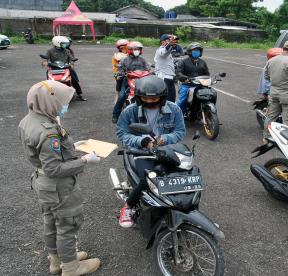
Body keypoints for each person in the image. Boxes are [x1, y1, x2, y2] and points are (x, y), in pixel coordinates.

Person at [18, 80, 101, 275]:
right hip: (58, 187)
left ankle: (56, 261)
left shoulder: (29, 120)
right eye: (62, 103)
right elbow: (55, 168)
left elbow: (40, 152)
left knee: (51, 222)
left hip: (42, 183)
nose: (64, 106)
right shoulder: (48, 133)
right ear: (49, 102)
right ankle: (71, 268)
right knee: (66, 225)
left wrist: (71, 147)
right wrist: (85, 160)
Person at [116, 75, 186, 227]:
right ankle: (128, 206)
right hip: (141, 152)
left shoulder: (174, 109)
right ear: (139, 97)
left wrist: (165, 139)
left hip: (166, 149)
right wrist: (142, 141)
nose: (150, 103)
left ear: (162, 97)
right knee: (150, 178)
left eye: (154, 100)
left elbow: (180, 131)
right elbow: (122, 133)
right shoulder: (130, 111)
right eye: (145, 100)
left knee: (183, 174)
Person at [262, 40, 288, 140]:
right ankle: (285, 140)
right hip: (287, 94)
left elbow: (266, 77)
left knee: (271, 116)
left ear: (283, 48)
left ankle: (266, 137)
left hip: (274, 92)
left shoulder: (271, 60)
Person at [112, 41, 150, 123]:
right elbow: (119, 69)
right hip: (128, 80)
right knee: (122, 96)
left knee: (151, 94)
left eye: (138, 49)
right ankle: (115, 115)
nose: (137, 50)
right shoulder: (124, 60)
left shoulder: (142, 60)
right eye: (135, 49)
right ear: (129, 50)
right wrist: (121, 72)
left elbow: (148, 68)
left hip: (141, 81)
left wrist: (151, 70)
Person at [42, 36, 87, 101]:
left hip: (66, 67)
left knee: (74, 80)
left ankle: (79, 94)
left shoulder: (67, 51)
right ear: (57, 43)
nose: (66, 45)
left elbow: (71, 58)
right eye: (63, 43)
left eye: (66, 43)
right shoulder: (50, 51)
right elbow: (46, 58)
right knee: (48, 78)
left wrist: (72, 63)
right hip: (54, 68)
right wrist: (45, 62)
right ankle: (49, 93)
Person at [175, 42, 210, 112]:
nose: (197, 52)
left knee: (211, 94)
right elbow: (178, 73)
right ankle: (176, 115)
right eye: (195, 50)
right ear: (190, 52)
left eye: (198, 51)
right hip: (187, 85)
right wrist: (185, 78)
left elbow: (207, 74)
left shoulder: (203, 62)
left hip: (200, 85)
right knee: (182, 100)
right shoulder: (183, 61)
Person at [154, 34, 177, 102]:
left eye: (171, 40)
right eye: (168, 40)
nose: (170, 41)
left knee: (171, 100)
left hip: (168, 78)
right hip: (164, 78)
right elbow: (163, 52)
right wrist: (169, 44)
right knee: (167, 100)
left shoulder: (168, 51)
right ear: (162, 42)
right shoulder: (160, 50)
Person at [112, 39, 129, 103]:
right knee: (119, 79)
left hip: (130, 72)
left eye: (125, 47)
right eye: (122, 48)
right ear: (119, 49)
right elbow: (115, 66)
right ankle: (117, 94)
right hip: (120, 72)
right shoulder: (116, 56)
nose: (124, 49)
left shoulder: (130, 54)